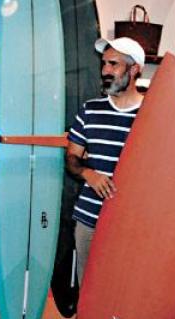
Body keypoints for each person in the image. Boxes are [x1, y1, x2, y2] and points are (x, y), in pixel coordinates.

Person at [66, 37, 145, 285]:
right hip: (88, 220)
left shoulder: (153, 113)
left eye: (114, 64)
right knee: (88, 293)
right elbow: (71, 158)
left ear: (134, 70)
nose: (105, 71)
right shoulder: (90, 110)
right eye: (104, 64)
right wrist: (90, 174)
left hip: (134, 224)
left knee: (124, 293)